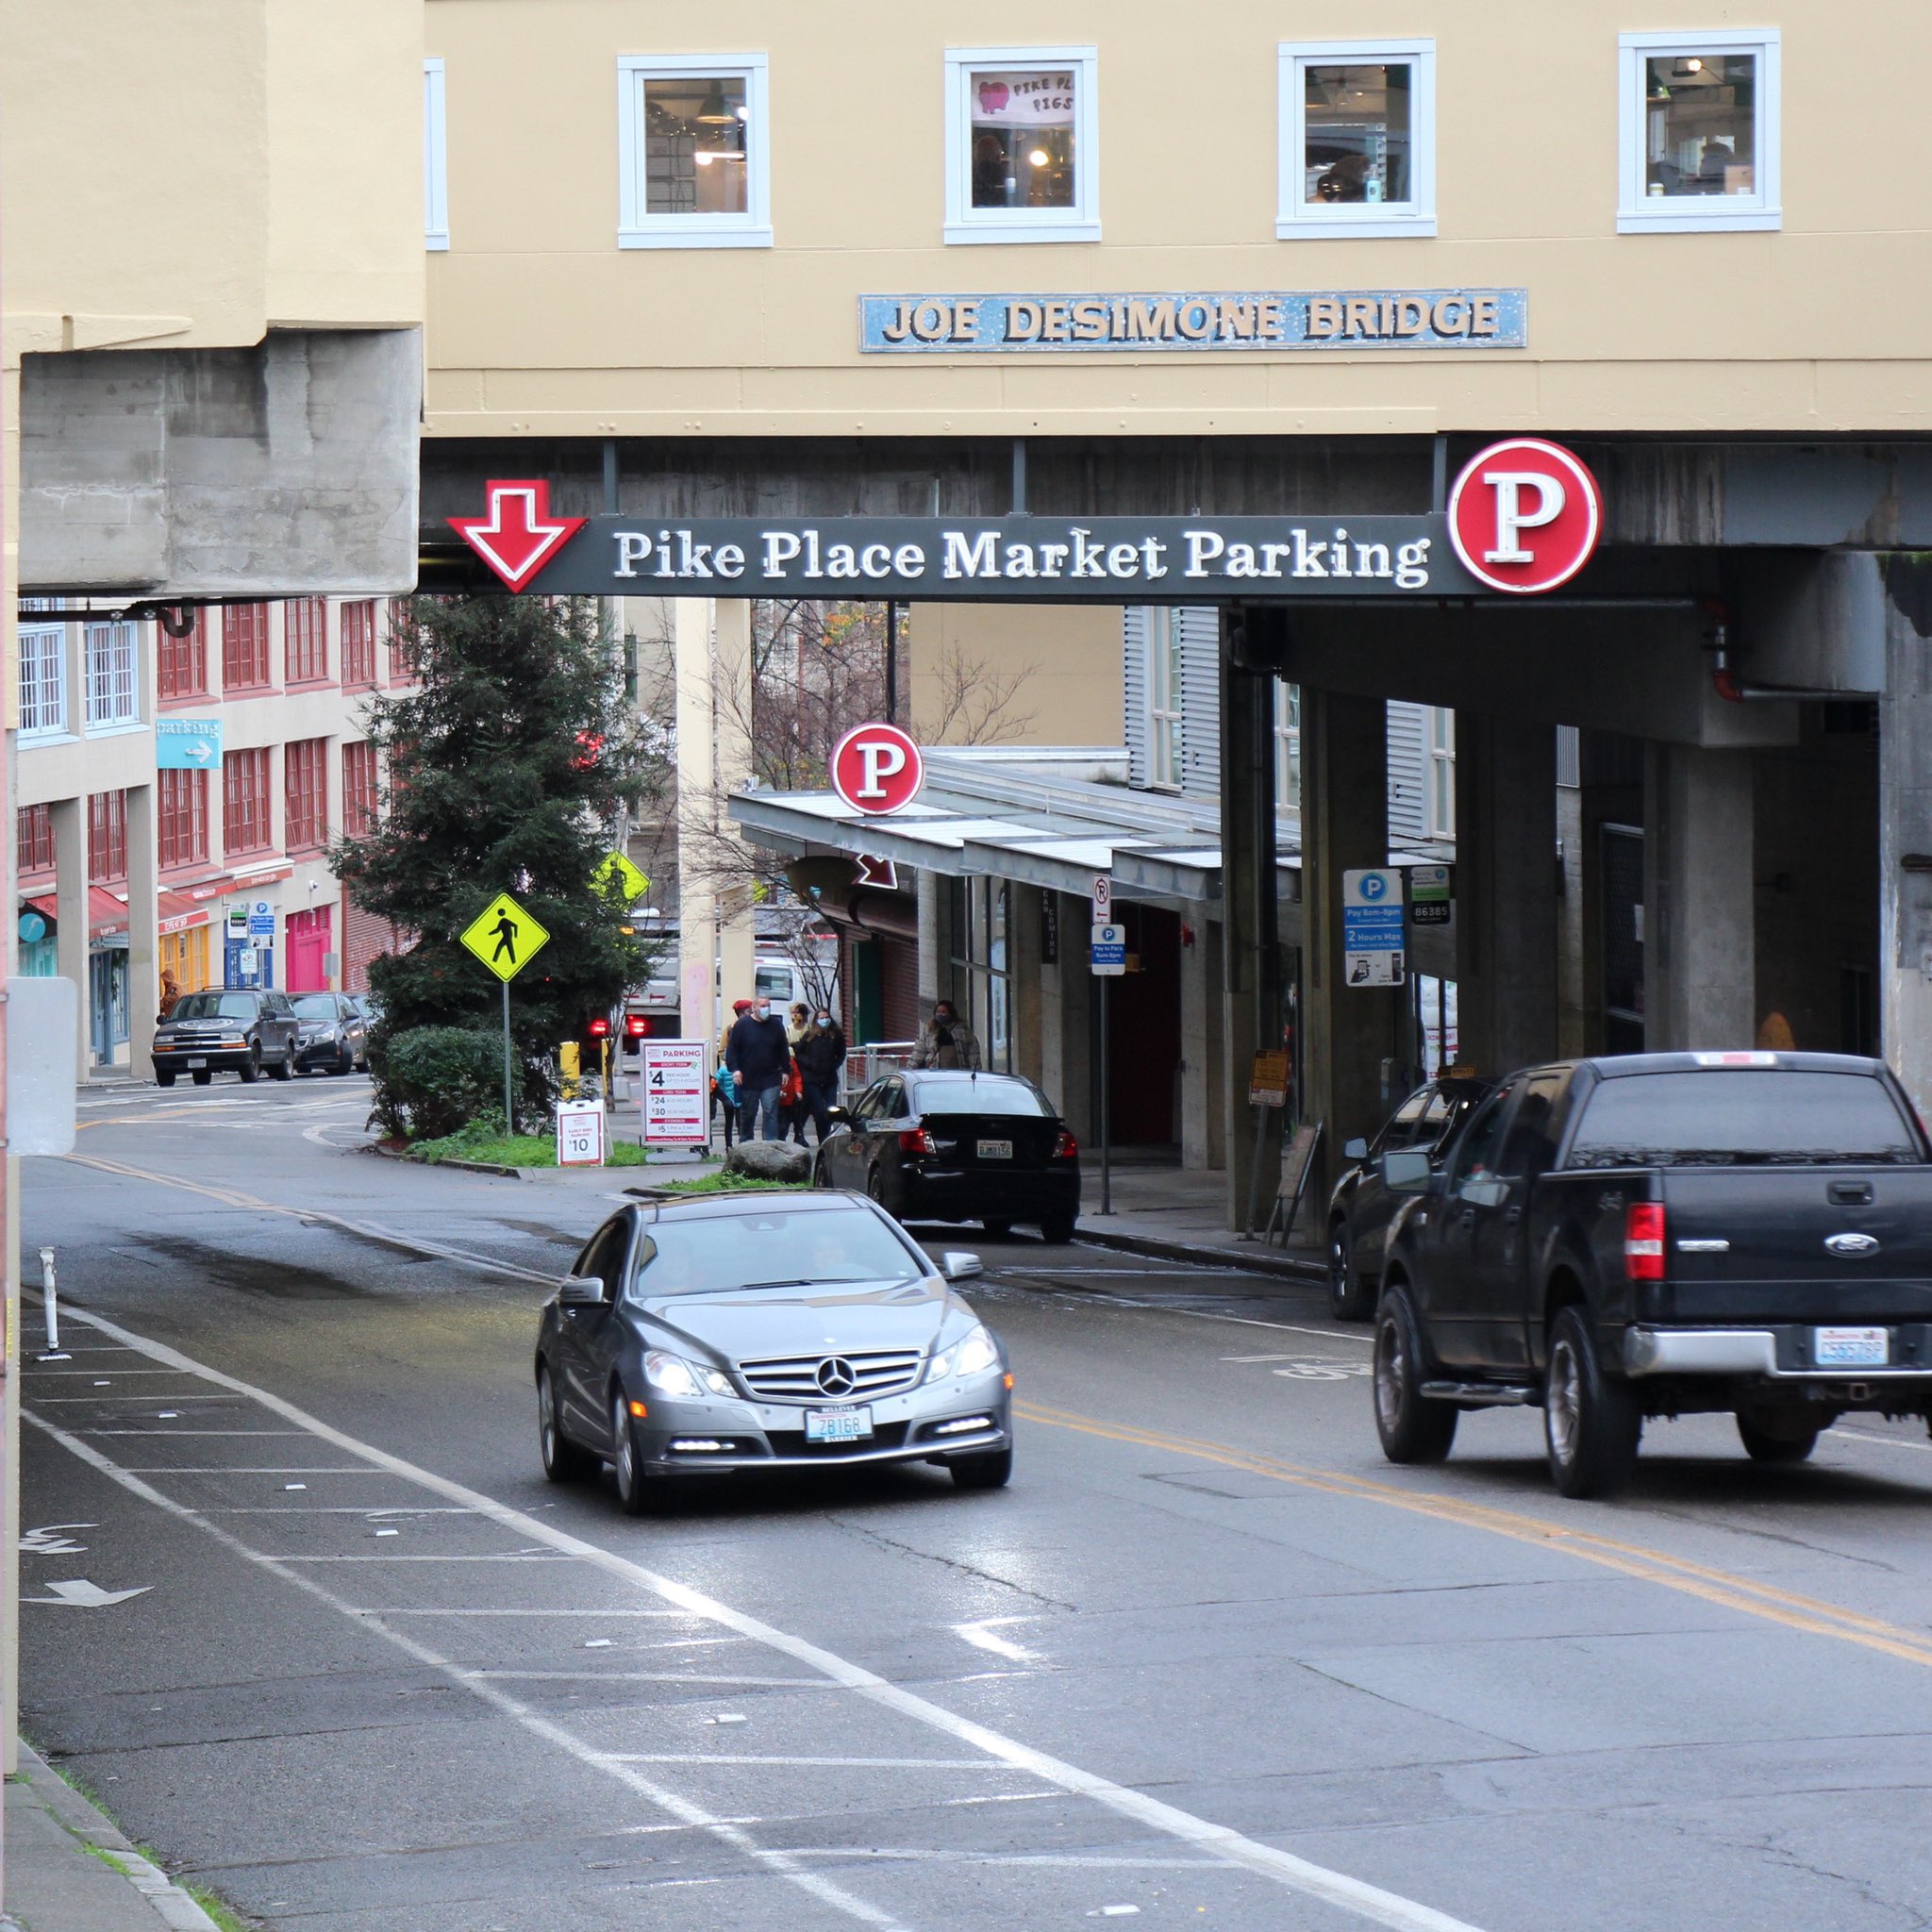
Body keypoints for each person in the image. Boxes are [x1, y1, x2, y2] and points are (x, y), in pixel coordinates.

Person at [725, 994, 791, 1141]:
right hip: (748, 1078)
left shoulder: (776, 1025)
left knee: (770, 1112)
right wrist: (735, 1069)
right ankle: (746, 1144)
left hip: (771, 1077)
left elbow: (783, 1049)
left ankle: (770, 1145)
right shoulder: (742, 1026)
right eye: (762, 1006)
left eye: (768, 1005)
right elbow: (732, 1050)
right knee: (748, 1113)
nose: (765, 1009)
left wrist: (786, 1071)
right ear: (753, 1008)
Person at [793, 1008, 847, 1144]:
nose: (825, 1020)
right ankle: (821, 1138)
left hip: (829, 1078)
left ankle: (827, 1137)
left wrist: (833, 1064)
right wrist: (810, 1064)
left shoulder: (836, 1035)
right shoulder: (809, 1036)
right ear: (816, 1020)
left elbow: (841, 1054)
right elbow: (799, 1052)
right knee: (819, 1110)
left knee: (830, 1110)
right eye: (821, 1018)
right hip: (812, 1080)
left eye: (827, 1017)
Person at [912, 998, 982, 1071]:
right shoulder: (929, 1030)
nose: (940, 1014)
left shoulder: (963, 1030)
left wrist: (976, 1070)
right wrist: (911, 1067)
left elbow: (973, 1052)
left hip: (958, 1070)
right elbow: (919, 1050)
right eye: (938, 1012)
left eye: (943, 1012)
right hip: (934, 1070)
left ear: (951, 1013)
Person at [778, 1003, 811, 1144]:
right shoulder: (788, 1030)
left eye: (798, 1013)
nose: (795, 1016)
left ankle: (799, 1133)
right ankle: (783, 1136)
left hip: (807, 1068)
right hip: (794, 1063)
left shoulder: (809, 1030)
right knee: (785, 1114)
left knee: (803, 1107)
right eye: (793, 1013)